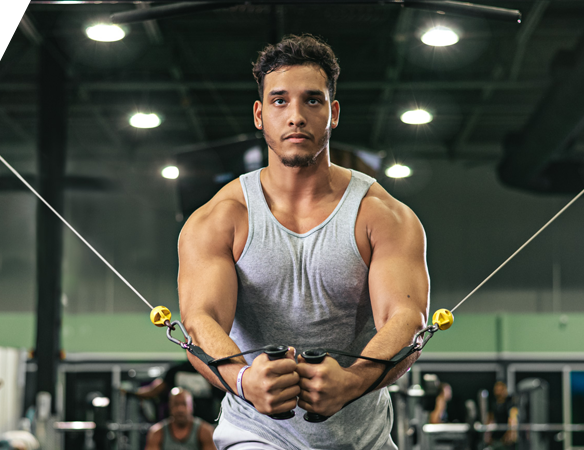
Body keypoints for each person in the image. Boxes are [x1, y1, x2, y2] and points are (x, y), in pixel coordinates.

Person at [177, 33, 430, 449]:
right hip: (255, 435)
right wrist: (243, 379)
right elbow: (200, 319)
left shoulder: (382, 216)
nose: (295, 115)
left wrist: (350, 382)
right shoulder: (221, 218)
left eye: (312, 100)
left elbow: (406, 319)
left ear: (333, 113)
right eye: (280, 101)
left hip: (362, 439)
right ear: (259, 115)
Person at [123, 359, 223, 424]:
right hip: (176, 425)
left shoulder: (213, 371)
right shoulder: (175, 371)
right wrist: (130, 393)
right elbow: (154, 391)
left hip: (206, 422)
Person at [144, 388, 216, 450]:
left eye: (184, 404)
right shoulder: (157, 433)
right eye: (176, 404)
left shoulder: (205, 431)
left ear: (191, 407)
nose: (180, 409)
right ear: (170, 407)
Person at [486, 381, 518, 449]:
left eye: (499, 390)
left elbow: (513, 418)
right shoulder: (493, 403)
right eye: (496, 390)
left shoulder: (510, 402)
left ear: (504, 390)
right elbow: (490, 418)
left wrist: (510, 432)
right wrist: (488, 434)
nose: (497, 392)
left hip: (507, 436)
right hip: (496, 435)